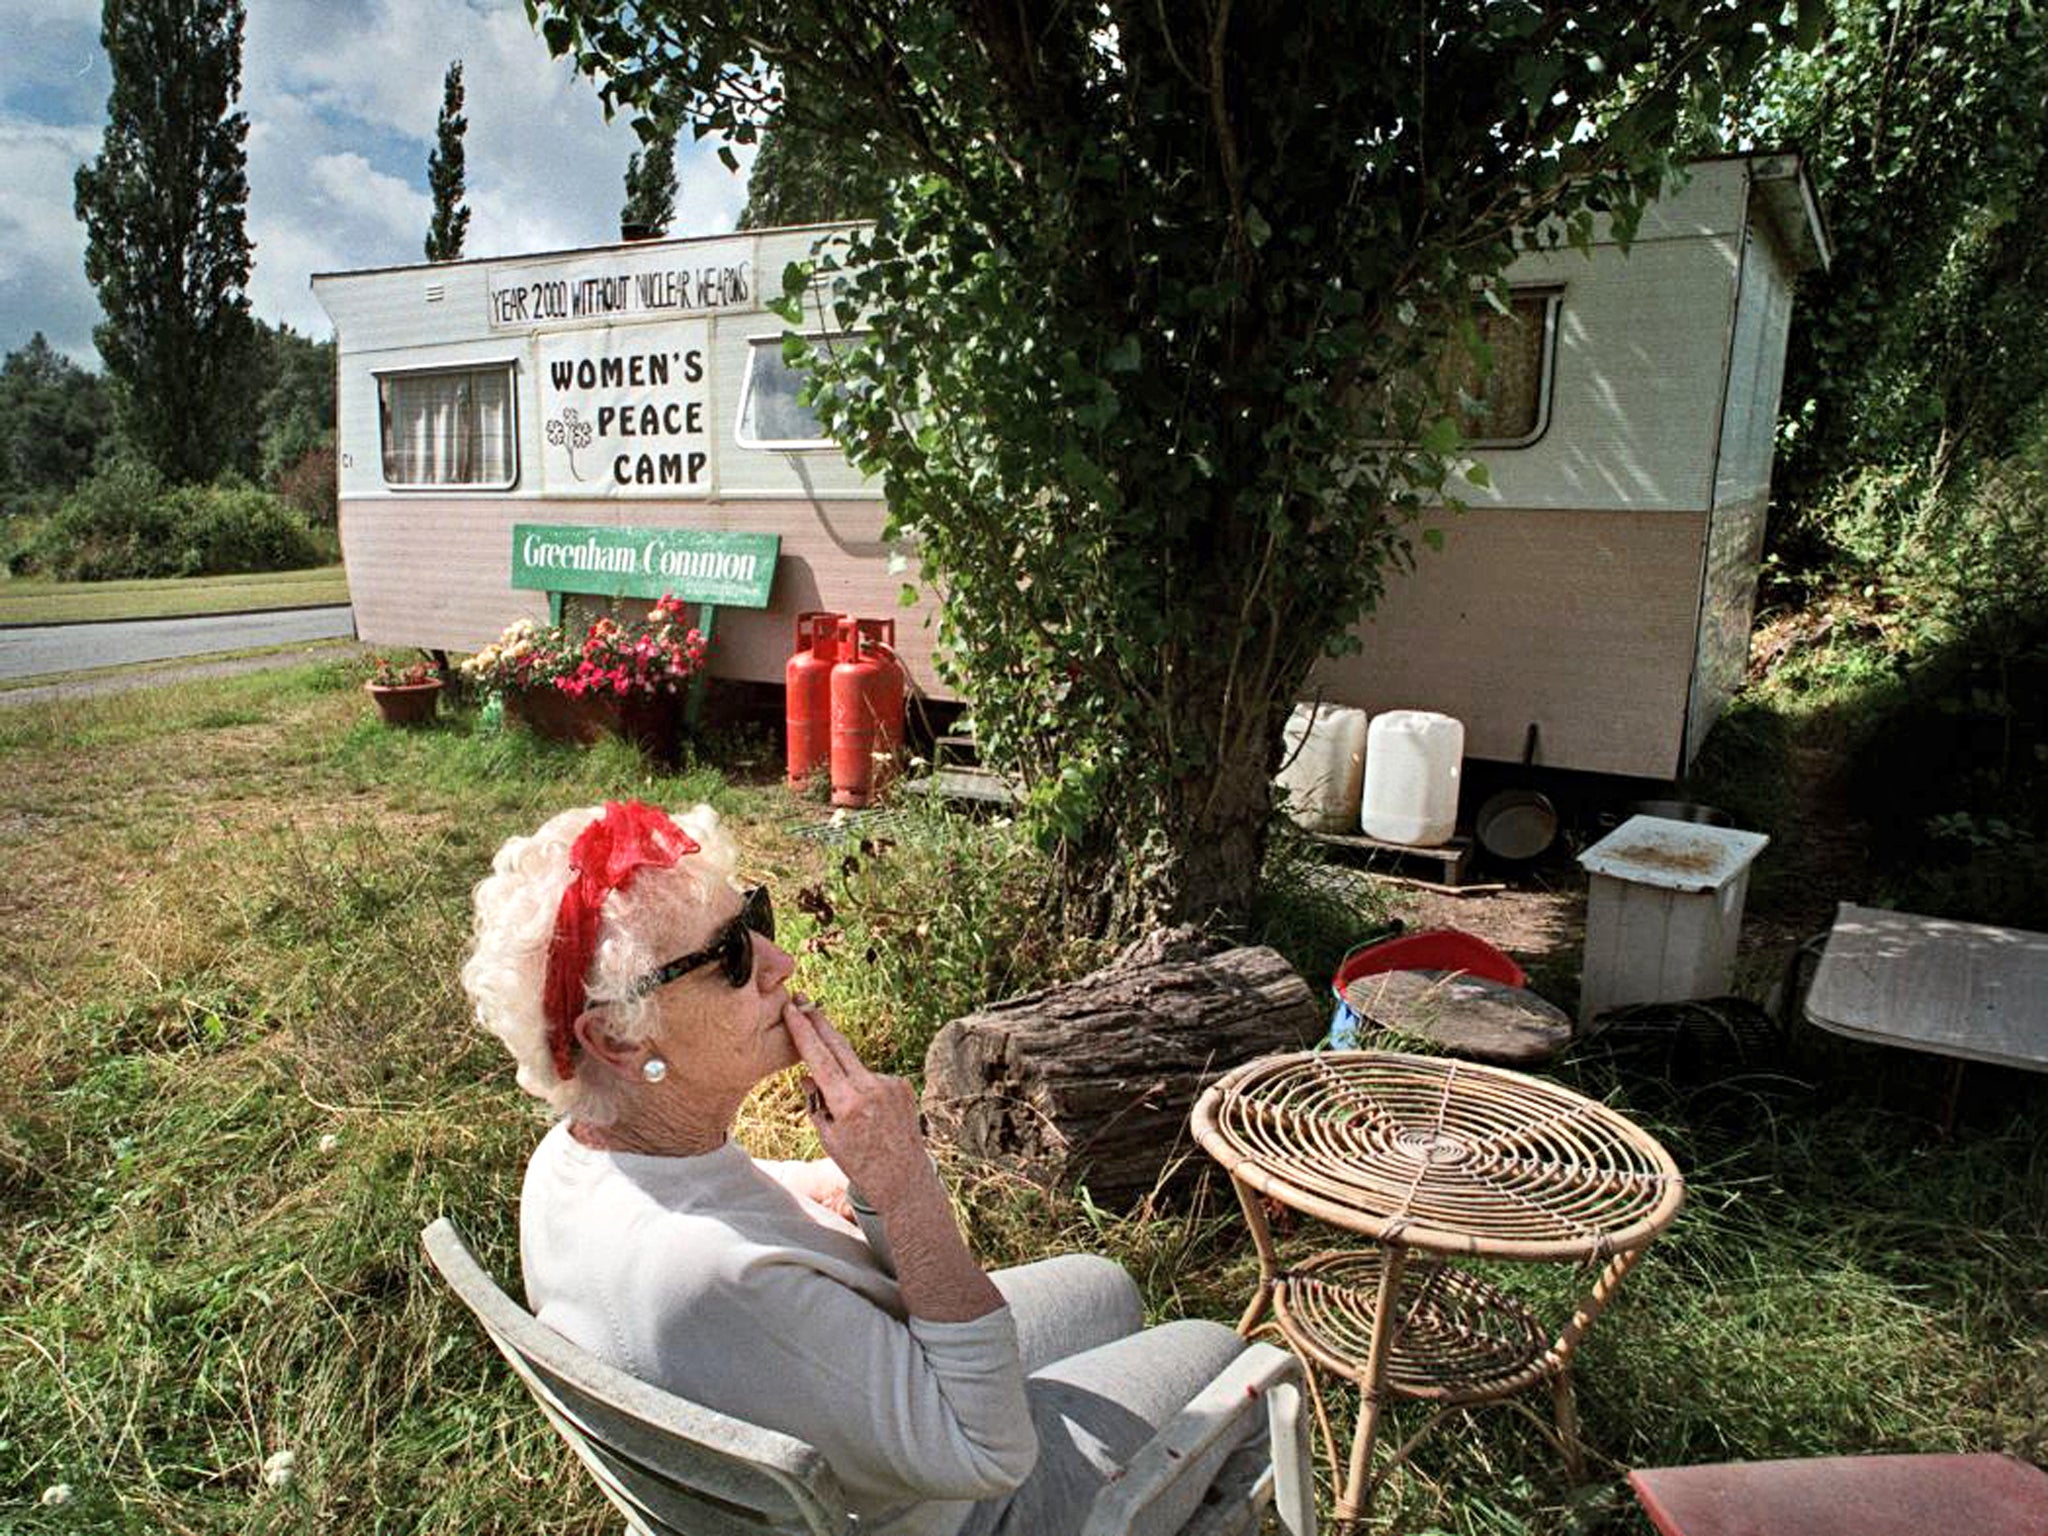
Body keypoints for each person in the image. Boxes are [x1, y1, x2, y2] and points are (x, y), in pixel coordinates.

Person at [461, 799, 1262, 1536]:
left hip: (846, 1430)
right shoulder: (723, 1283)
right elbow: (992, 1453)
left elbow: (715, 1202)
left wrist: (808, 1178)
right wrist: (902, 1184)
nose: (778, 962)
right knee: (1231, 1357)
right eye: (731, 955)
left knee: (1106, 1286)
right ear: (620, 1039)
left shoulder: (572, 1159)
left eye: (756, 919)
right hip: (968, 1505)